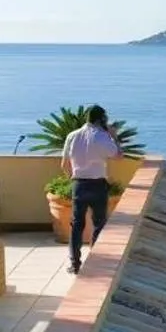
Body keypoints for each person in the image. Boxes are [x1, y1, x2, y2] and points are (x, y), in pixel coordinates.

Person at [61, 105, 123, 273]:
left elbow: (64, 165)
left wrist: (72, 179)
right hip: (97, 185)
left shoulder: (72, 136)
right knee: (99, 224)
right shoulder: (103, 137)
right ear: (101, 119)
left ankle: (75, 264)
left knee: (76, 225)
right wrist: (114, 136)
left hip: (79, 185)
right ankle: (95, 263)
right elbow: (118, 156)